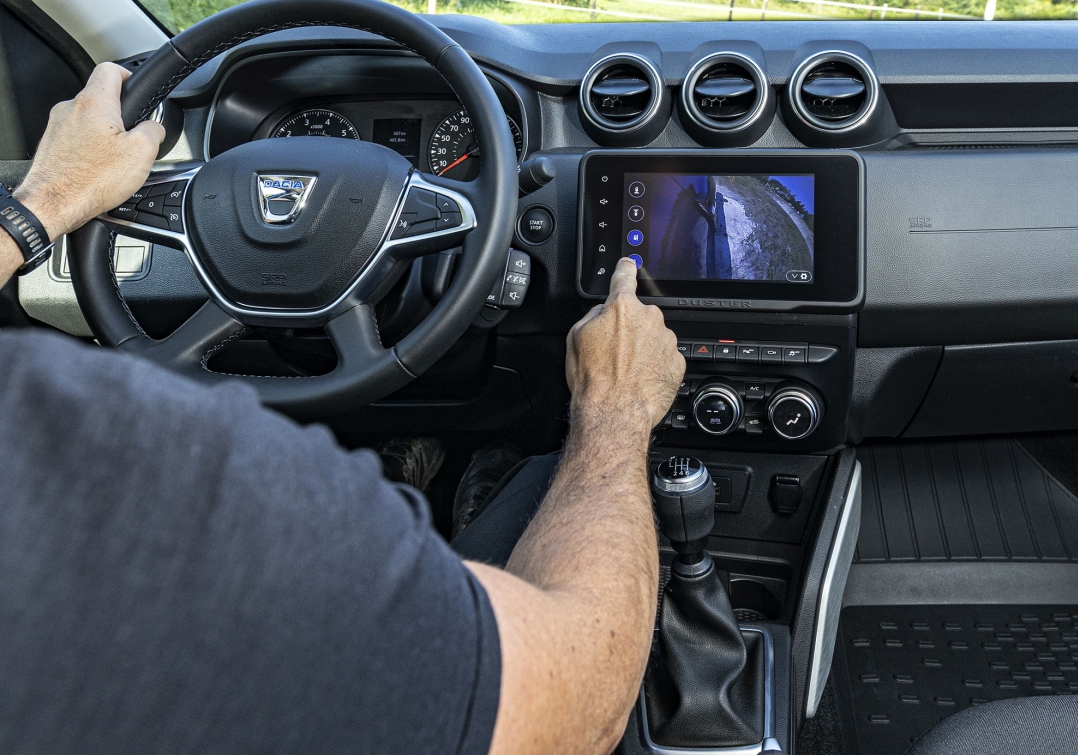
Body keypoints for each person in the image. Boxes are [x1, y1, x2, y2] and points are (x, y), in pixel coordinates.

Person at [0, 63, 687, 755]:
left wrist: (43, 204)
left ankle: (410, 475)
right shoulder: (223, 518)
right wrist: (616, 409)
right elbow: (580, 704)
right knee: (543, 474)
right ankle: (463, 496)